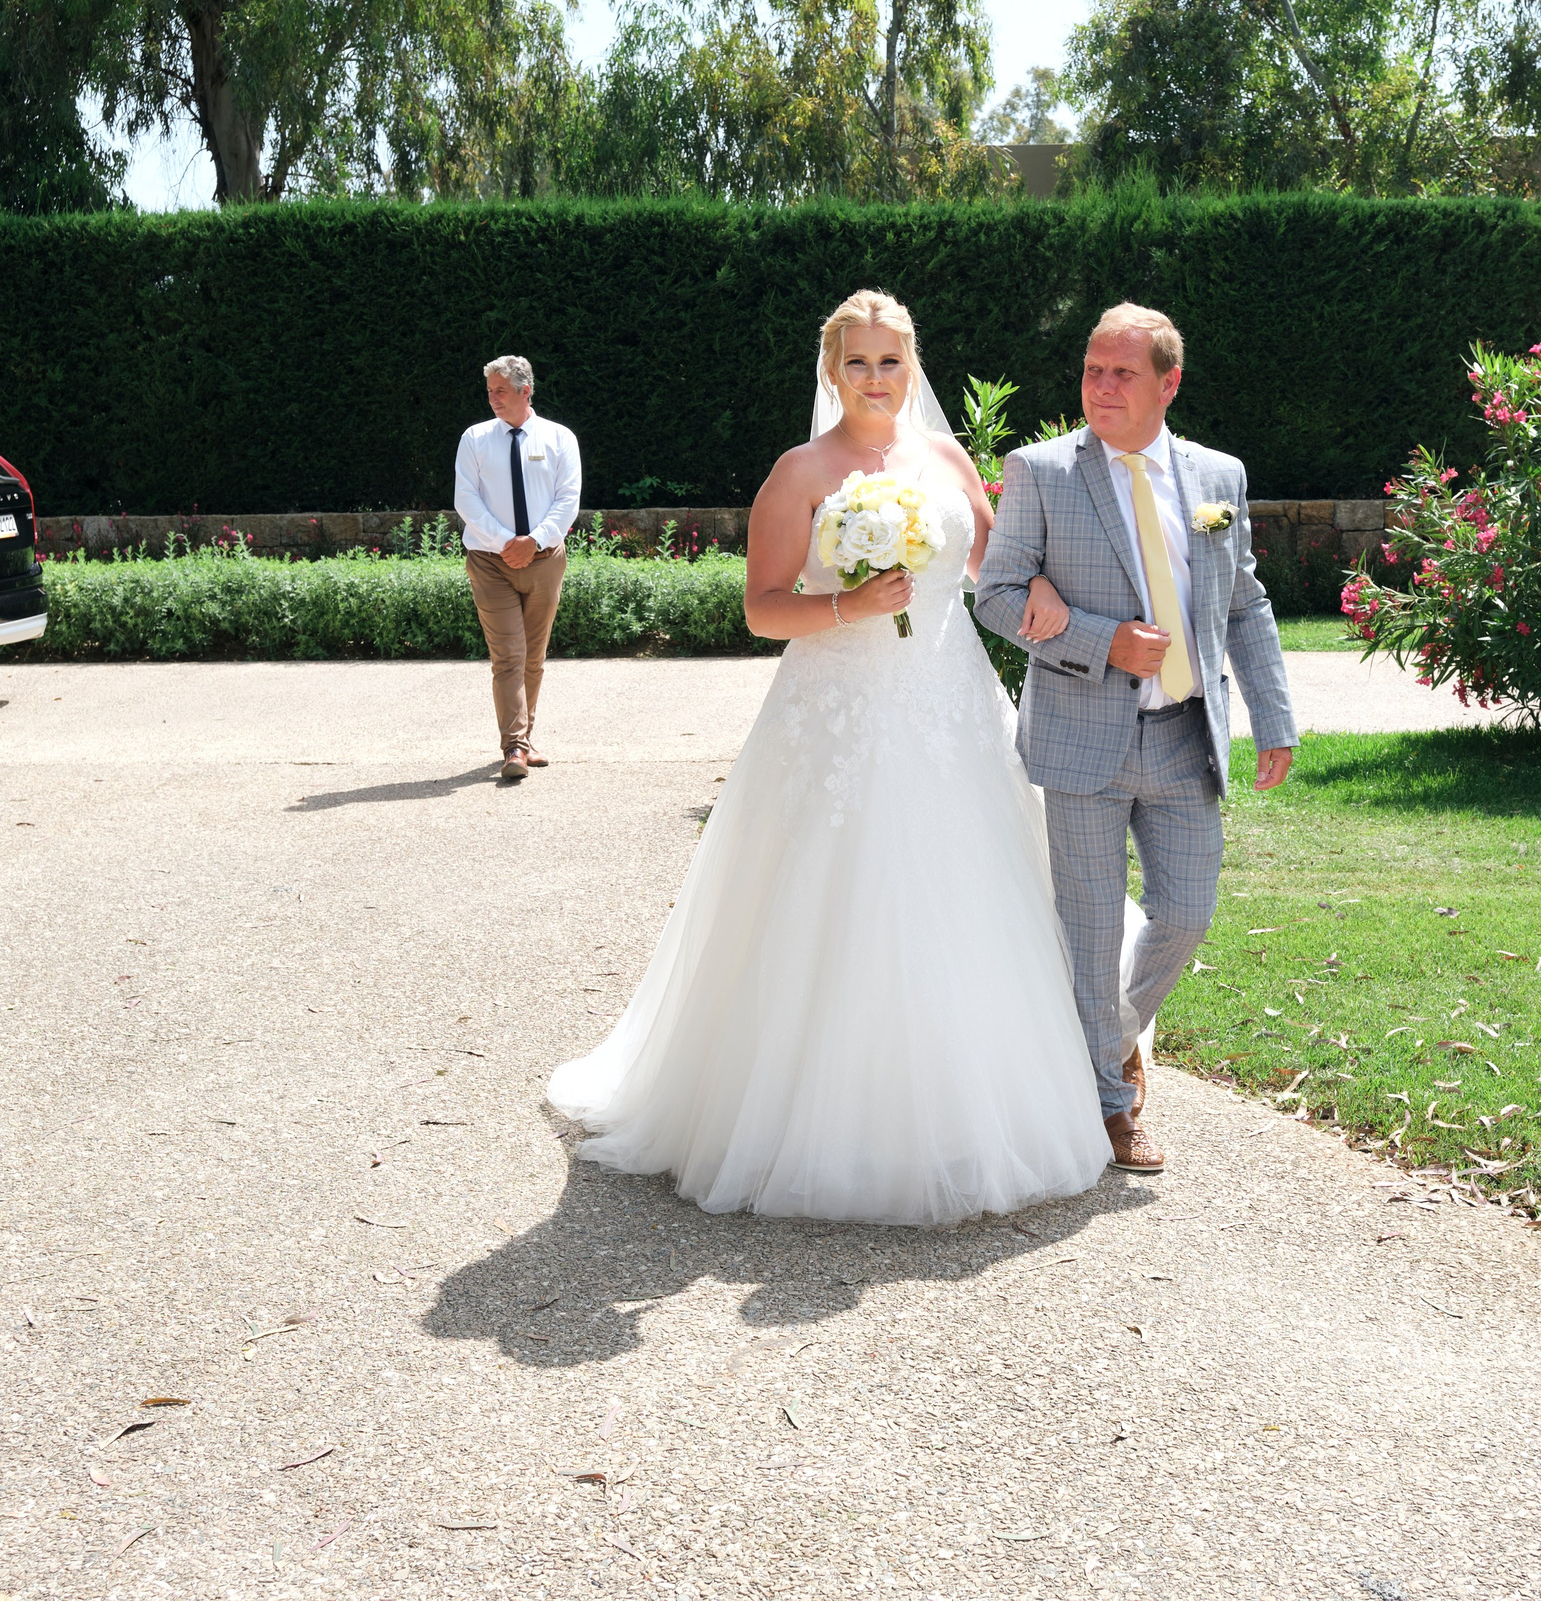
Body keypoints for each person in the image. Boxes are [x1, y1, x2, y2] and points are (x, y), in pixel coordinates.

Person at [546, 292, 1109, 1226]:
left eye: (891, 362)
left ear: (914, 366)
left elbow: (992, 566)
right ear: (830, 369)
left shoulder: (948, 458)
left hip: (951, 702)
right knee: (830, 896)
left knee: (971, 890)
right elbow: (763, 606)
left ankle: (982, 1105)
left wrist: (1053, 594)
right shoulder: (800, 471)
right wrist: (850, 603)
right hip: (836, 711)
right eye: (858, 362)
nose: (876, 379)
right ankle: (820, 1125)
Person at [975, 302, 1298, 1175]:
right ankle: (1113, 1107)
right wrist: (1098, 638)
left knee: (1188, 913)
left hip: (1185, 734)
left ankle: (1107, 1036)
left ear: (1169, 383)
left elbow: (1245, 602)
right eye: (1092, 369)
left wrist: (1274, 716)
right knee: (1087, 924)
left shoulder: (1217, 477)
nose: (1102, 386)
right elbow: (997, 596)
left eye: (1122, 373)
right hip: (1083, 736)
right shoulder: (1040, 471)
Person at [455, 355, 582, 778]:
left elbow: (568, 499)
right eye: (489, 391)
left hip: (545, 560)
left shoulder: (560, 438)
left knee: (533, 656)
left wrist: (535, 541)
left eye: (501, 391)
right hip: (490, 563)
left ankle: (525, 738)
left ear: (526, 391)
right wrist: (506, 544)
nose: (492, 398)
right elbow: (466, 500)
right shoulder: (474, 438)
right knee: (507, 654)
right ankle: (514, 746)